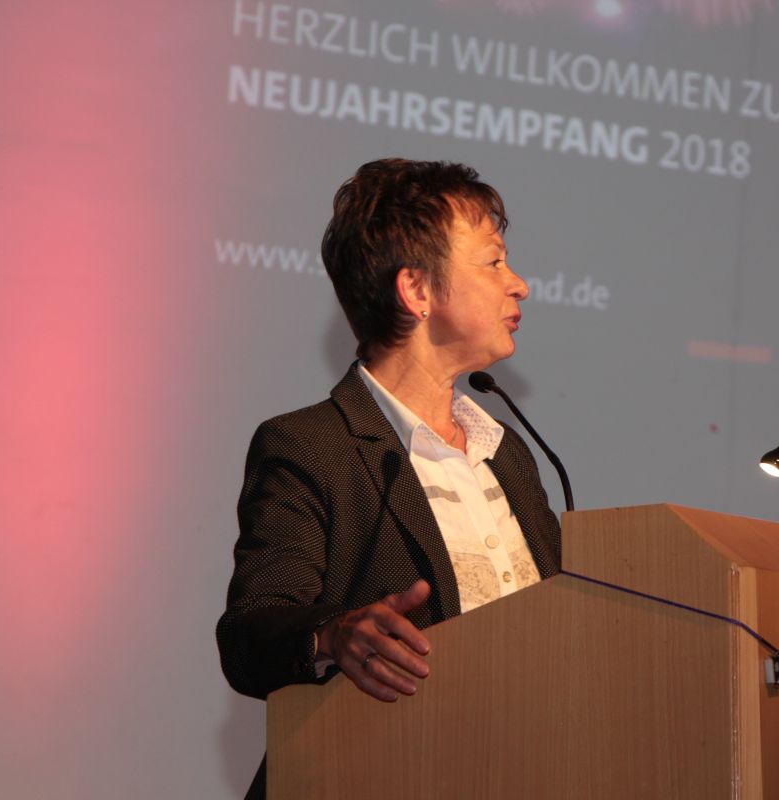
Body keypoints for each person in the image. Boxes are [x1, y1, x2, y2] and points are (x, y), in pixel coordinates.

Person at [216, 158, 561, 796]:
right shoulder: (311, 446)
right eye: (493, 262)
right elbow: (249, 636)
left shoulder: (505, 452)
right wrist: (333, 634)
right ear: (417, 290)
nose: (520, 285)